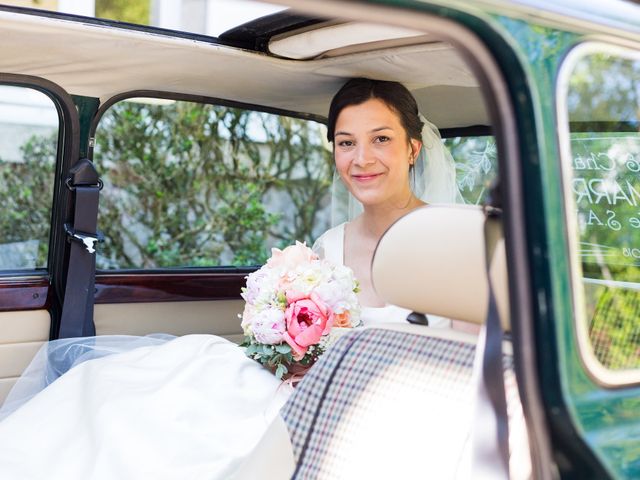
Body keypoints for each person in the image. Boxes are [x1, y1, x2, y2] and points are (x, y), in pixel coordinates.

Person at [0, 78, 464, 479]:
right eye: (346, 142)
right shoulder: (331, 243)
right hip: (298, 386)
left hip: (379, 405)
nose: (362, 159)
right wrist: (288, 354)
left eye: (380, 139)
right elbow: (306, 337)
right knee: (131, 392)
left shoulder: (458, 238)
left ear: (412, 148)